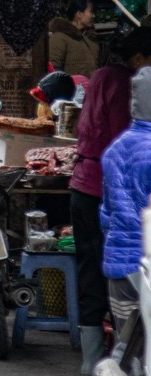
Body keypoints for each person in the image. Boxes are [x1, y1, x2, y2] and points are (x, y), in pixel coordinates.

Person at [71, 27, 151, 374]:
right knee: (125, 284)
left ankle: (91, 361)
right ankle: (120, 360)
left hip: (84, 185)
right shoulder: (126, 86)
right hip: (105, 190)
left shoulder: (101, 75)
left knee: (90, 272)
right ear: (138, 59)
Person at [100, 66, 151, 356]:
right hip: (146, 267)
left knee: (126, 345)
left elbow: (107, 214)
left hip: (118, 268)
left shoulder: (116, 148)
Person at [49, 0, 100, 77]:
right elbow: (53, 69)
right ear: (79, 14)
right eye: (91, 12)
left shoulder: (91, 39)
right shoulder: (60, 38)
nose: (93, 16)